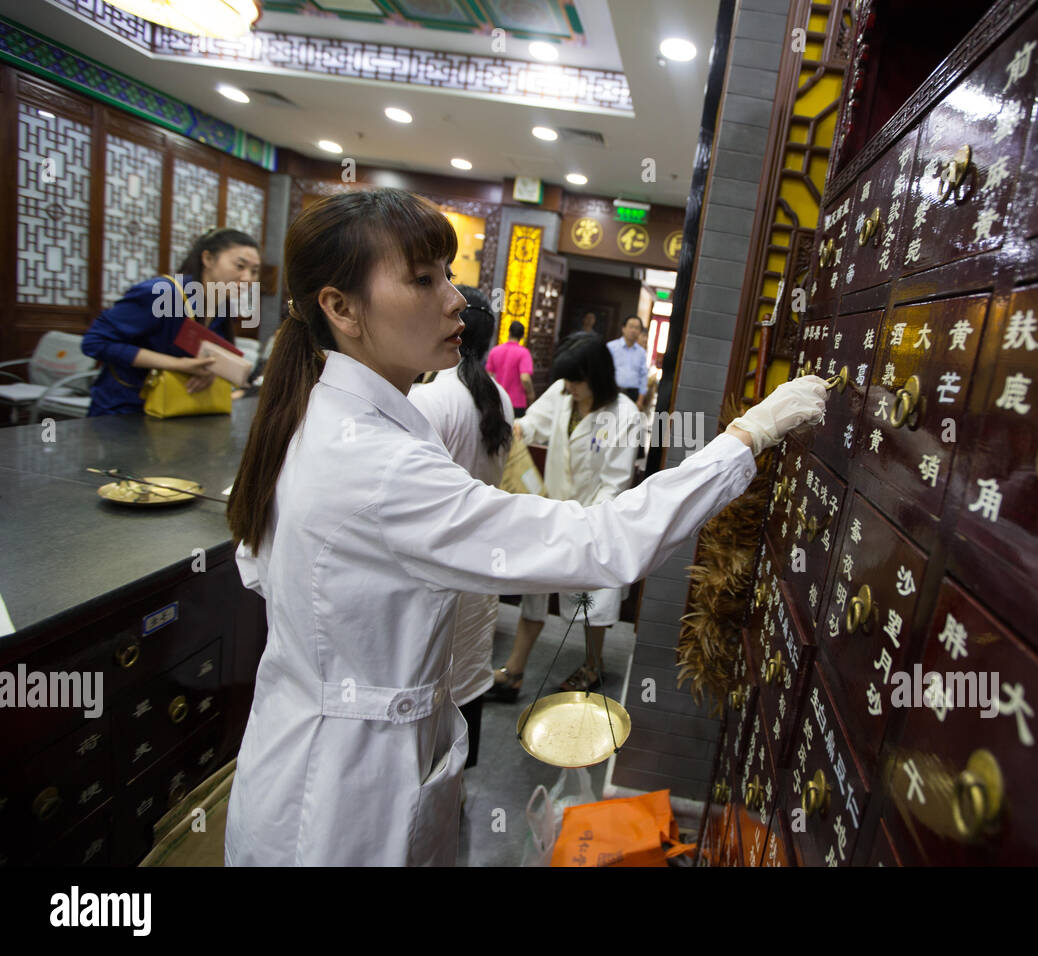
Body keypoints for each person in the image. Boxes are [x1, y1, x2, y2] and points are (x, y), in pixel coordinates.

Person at [224, 187, 827, 866]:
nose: (456, 299)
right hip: (344, 793)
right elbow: (605, 543)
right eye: (423, 279)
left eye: (447, 275)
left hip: (304, 742)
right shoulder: (375, 463)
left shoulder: (324, 418)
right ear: (340, 308)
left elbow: (259, 567)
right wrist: (744, 439)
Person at [487, 332, 639, 700]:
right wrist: (516, 429)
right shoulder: (561, 393)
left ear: (598, 376)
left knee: (592, 601)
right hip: (551, 511)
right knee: (534, 595)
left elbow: (614, 483)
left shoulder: (624, 415)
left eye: (576, 380)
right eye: (567, 379)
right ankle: (515, 672)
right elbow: (533, 422)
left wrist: (584, 523)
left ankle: (593, 666)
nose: (569, 387)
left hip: (594, 521)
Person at [407, 286, 513, 772]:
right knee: (467, 670)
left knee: (426, 671)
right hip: (480, 560)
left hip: (433, 564)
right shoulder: (501, 403)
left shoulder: (428, 399)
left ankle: (421, 788)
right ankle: (455, 783)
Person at [82, 228, 260, 415]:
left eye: (254, 271)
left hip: (179, 410)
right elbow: (94, 342)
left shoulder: (222, 307)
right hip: (122, 411)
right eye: (240, 266)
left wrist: (210, 372)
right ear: (208, 259)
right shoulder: (161, 293)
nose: (248, 278)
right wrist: (177, 364)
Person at [485, 320, 534, 417]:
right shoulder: (524, 353)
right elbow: (525, 378)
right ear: (522, 336)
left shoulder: (495, 350)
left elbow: (488, 376)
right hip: (516, 403)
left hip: (497, 400)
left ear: (509, 332)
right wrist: (531, 394)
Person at [608, 315, 648, 411]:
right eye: (630, 326)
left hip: (632, 394)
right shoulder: (611, 347)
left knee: (626, 423)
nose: (633, 330)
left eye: (637, 328)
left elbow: (643, 377)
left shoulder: (641, 352)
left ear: (639, 331)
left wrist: (640, 400)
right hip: (613, 391)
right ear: (623, 328)